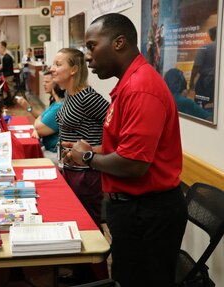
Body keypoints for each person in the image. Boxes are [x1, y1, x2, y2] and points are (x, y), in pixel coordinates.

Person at [63, 13, 188, 287]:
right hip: (132, 210)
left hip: (147, 212)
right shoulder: (128, 85)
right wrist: (90, 149)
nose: (87, 56)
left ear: (119, 42)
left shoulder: (141, 88)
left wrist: (87, 157)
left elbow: (134, 163)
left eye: (92, 46)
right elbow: (122, 147)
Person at [51, 48, 109, 227]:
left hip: (86, 174)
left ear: (74, 69)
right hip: (69, 169)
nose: (52, 68)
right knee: (75, 221)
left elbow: (115, 125)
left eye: (58, 64)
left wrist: (95, 150)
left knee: (89, 224)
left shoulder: (88, 97)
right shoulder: (69, 94)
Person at [15, 71, 65, 165]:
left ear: (56, 84)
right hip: (48, 147)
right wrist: (37, 124)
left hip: (54, 152)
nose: (43, 84)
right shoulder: (55, 102)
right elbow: (41, 118)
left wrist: (37, 127)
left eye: (47, 82)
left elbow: (39, 127)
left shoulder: (59, 106)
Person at [189, 26, 216, 112]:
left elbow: (196, 67)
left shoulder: (205, 48)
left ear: (211, 35)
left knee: (200, 107)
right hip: (217, 83)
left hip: (204, 83)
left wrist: (191, 82)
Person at [146, 0, 164, 73]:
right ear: (151, 12)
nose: (156, 11)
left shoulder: (167, 30)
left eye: (159, 6)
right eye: (154, 7)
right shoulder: (149, 34)